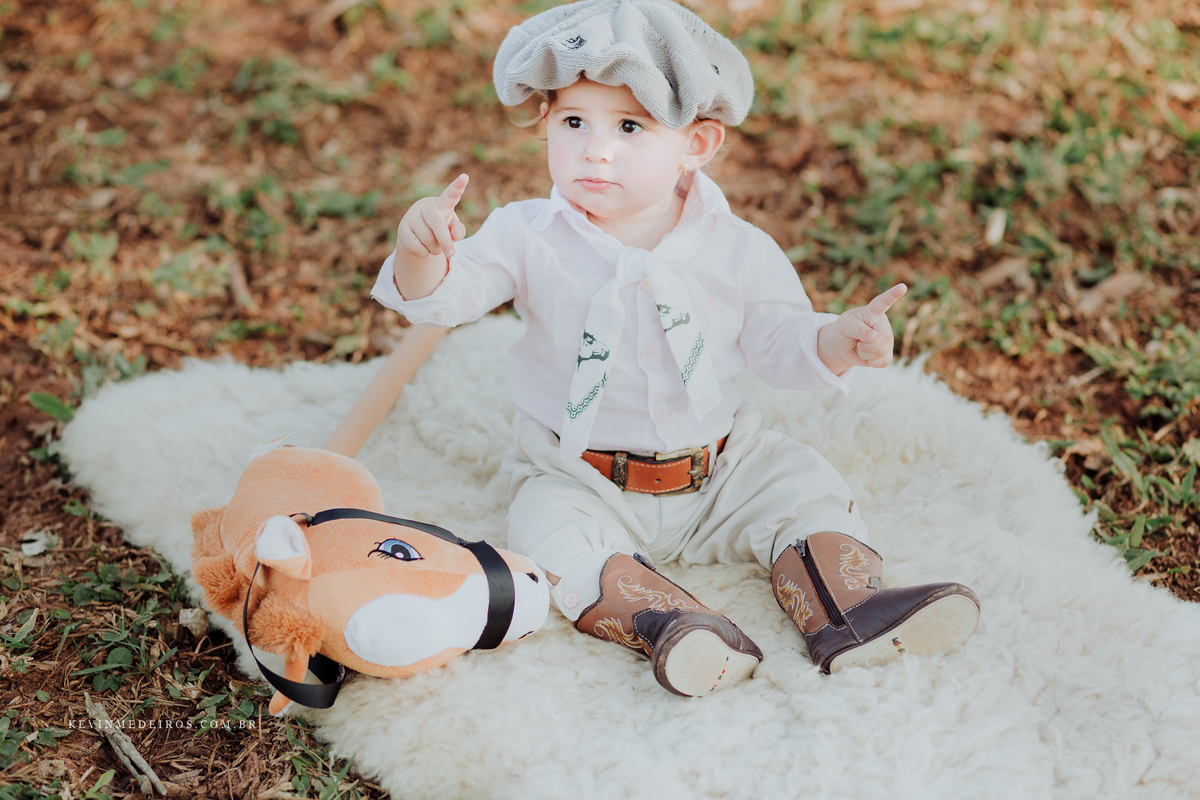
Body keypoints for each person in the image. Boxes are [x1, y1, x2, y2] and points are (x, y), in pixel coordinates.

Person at [372, 0, 979, 697]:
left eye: (630, 127)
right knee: (548, 538)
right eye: (574, 122)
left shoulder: (738, 250)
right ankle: (672, 624)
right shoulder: (527, 235)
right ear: (545, 125)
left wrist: (837, 339)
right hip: (581, 474)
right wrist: (423, 252)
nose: (596, 149)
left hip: (720, 469)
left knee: (805, 487)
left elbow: (780, 341)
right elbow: (447, 295)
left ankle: (852, 610)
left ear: (698, 144)